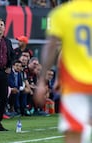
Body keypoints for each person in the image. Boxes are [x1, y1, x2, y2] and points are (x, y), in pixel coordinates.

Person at [35, 1, 92, 143]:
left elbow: (52, 48)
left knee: (73, 135)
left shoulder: (62, 13)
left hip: (75, 84)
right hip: (75, 83)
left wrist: (42, 81)